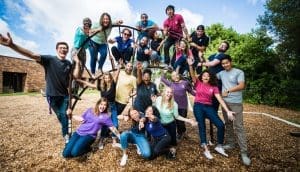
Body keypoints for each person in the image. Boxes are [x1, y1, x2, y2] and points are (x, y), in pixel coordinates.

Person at [0, 32, 80, 144]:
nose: (63, 50)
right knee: (62, 117)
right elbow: (32, 54)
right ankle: (67, 132)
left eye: (65, 48)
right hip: (52, 96)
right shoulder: (49, 60)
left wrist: (77, 62)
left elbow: (75, 77)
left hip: (64, 96)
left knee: (64, 115)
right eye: (61, 48)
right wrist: (12, 45)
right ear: (56, 50)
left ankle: (67, 137)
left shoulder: (68, 63)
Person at [187, 57, 235, 160]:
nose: (205, 77)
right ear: (201, 76)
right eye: (204, 75)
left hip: (209, 107)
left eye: (207, 76)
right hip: (198, 106)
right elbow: (192, 74)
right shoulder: (198, 83)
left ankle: (219, 146)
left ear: (210, 77)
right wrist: (191, 65)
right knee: (202, 126)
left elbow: (220, 99)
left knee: (221, 125)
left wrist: (228, 111)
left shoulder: (214, 87)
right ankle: (205, 148)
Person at [75, 61, 122, 149]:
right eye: (105, 78)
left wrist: (119, 66)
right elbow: (90, 85)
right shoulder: (101, 86)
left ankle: (114, 140)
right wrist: (80, 80)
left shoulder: (113, 84)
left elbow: (117, 74)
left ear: (110, 78)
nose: (107, 79)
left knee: (115, 124)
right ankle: (101, 140)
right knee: (104, 124)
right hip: (103, 108)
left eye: (108, 78)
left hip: (112, 107)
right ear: (103, 79)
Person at [217, 55, 251, 166]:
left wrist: (228, 90)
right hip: (225, 104)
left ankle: (244, 152)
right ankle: (231, 143)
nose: (225, 65)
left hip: (236, 103)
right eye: (223, 63)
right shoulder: (221, 73)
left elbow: (241, 85)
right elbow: (209, 76)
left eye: (227, 62)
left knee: (239, 126)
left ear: (231, 62)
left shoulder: (238, 72)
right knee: (228, 123)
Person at [152, 87, 197, 159]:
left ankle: (171, 152)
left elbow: (177, 116)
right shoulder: (158, 99)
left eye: (171, 92)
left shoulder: (174, 104)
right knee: (162, 141)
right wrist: (153, 102)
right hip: (160, 125)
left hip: (170, 125)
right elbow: (154, 110)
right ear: (164, 92)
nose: (169, 94)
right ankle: (165, 151)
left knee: (171, 142)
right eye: (167, 92)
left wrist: (188, 120)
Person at [161, 71, 195, 140]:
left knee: (181, 121)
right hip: (174, 106)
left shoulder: (185, 83)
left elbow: (191, 91)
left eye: (176, 75)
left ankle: (182, 132)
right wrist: (165, 72)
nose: (175, 77)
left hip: (183, 106)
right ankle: (180, 133)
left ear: (179, 75)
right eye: (173, 76)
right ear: (172, 78)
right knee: (177, 121)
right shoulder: (171, 84)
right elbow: (162, 78)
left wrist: (199, 95)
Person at [71, 17, 92, 96]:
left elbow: (87, 46)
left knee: (80, 71)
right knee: (75, 69)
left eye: (89, 24)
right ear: (83, 24)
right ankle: (71, 89)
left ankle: (75, 92)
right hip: (76, 50)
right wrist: (89, 33)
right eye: (85, 24)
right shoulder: (79, 29)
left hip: (83, 51)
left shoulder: (88, 35)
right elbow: (83, 33)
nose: (87, 25)